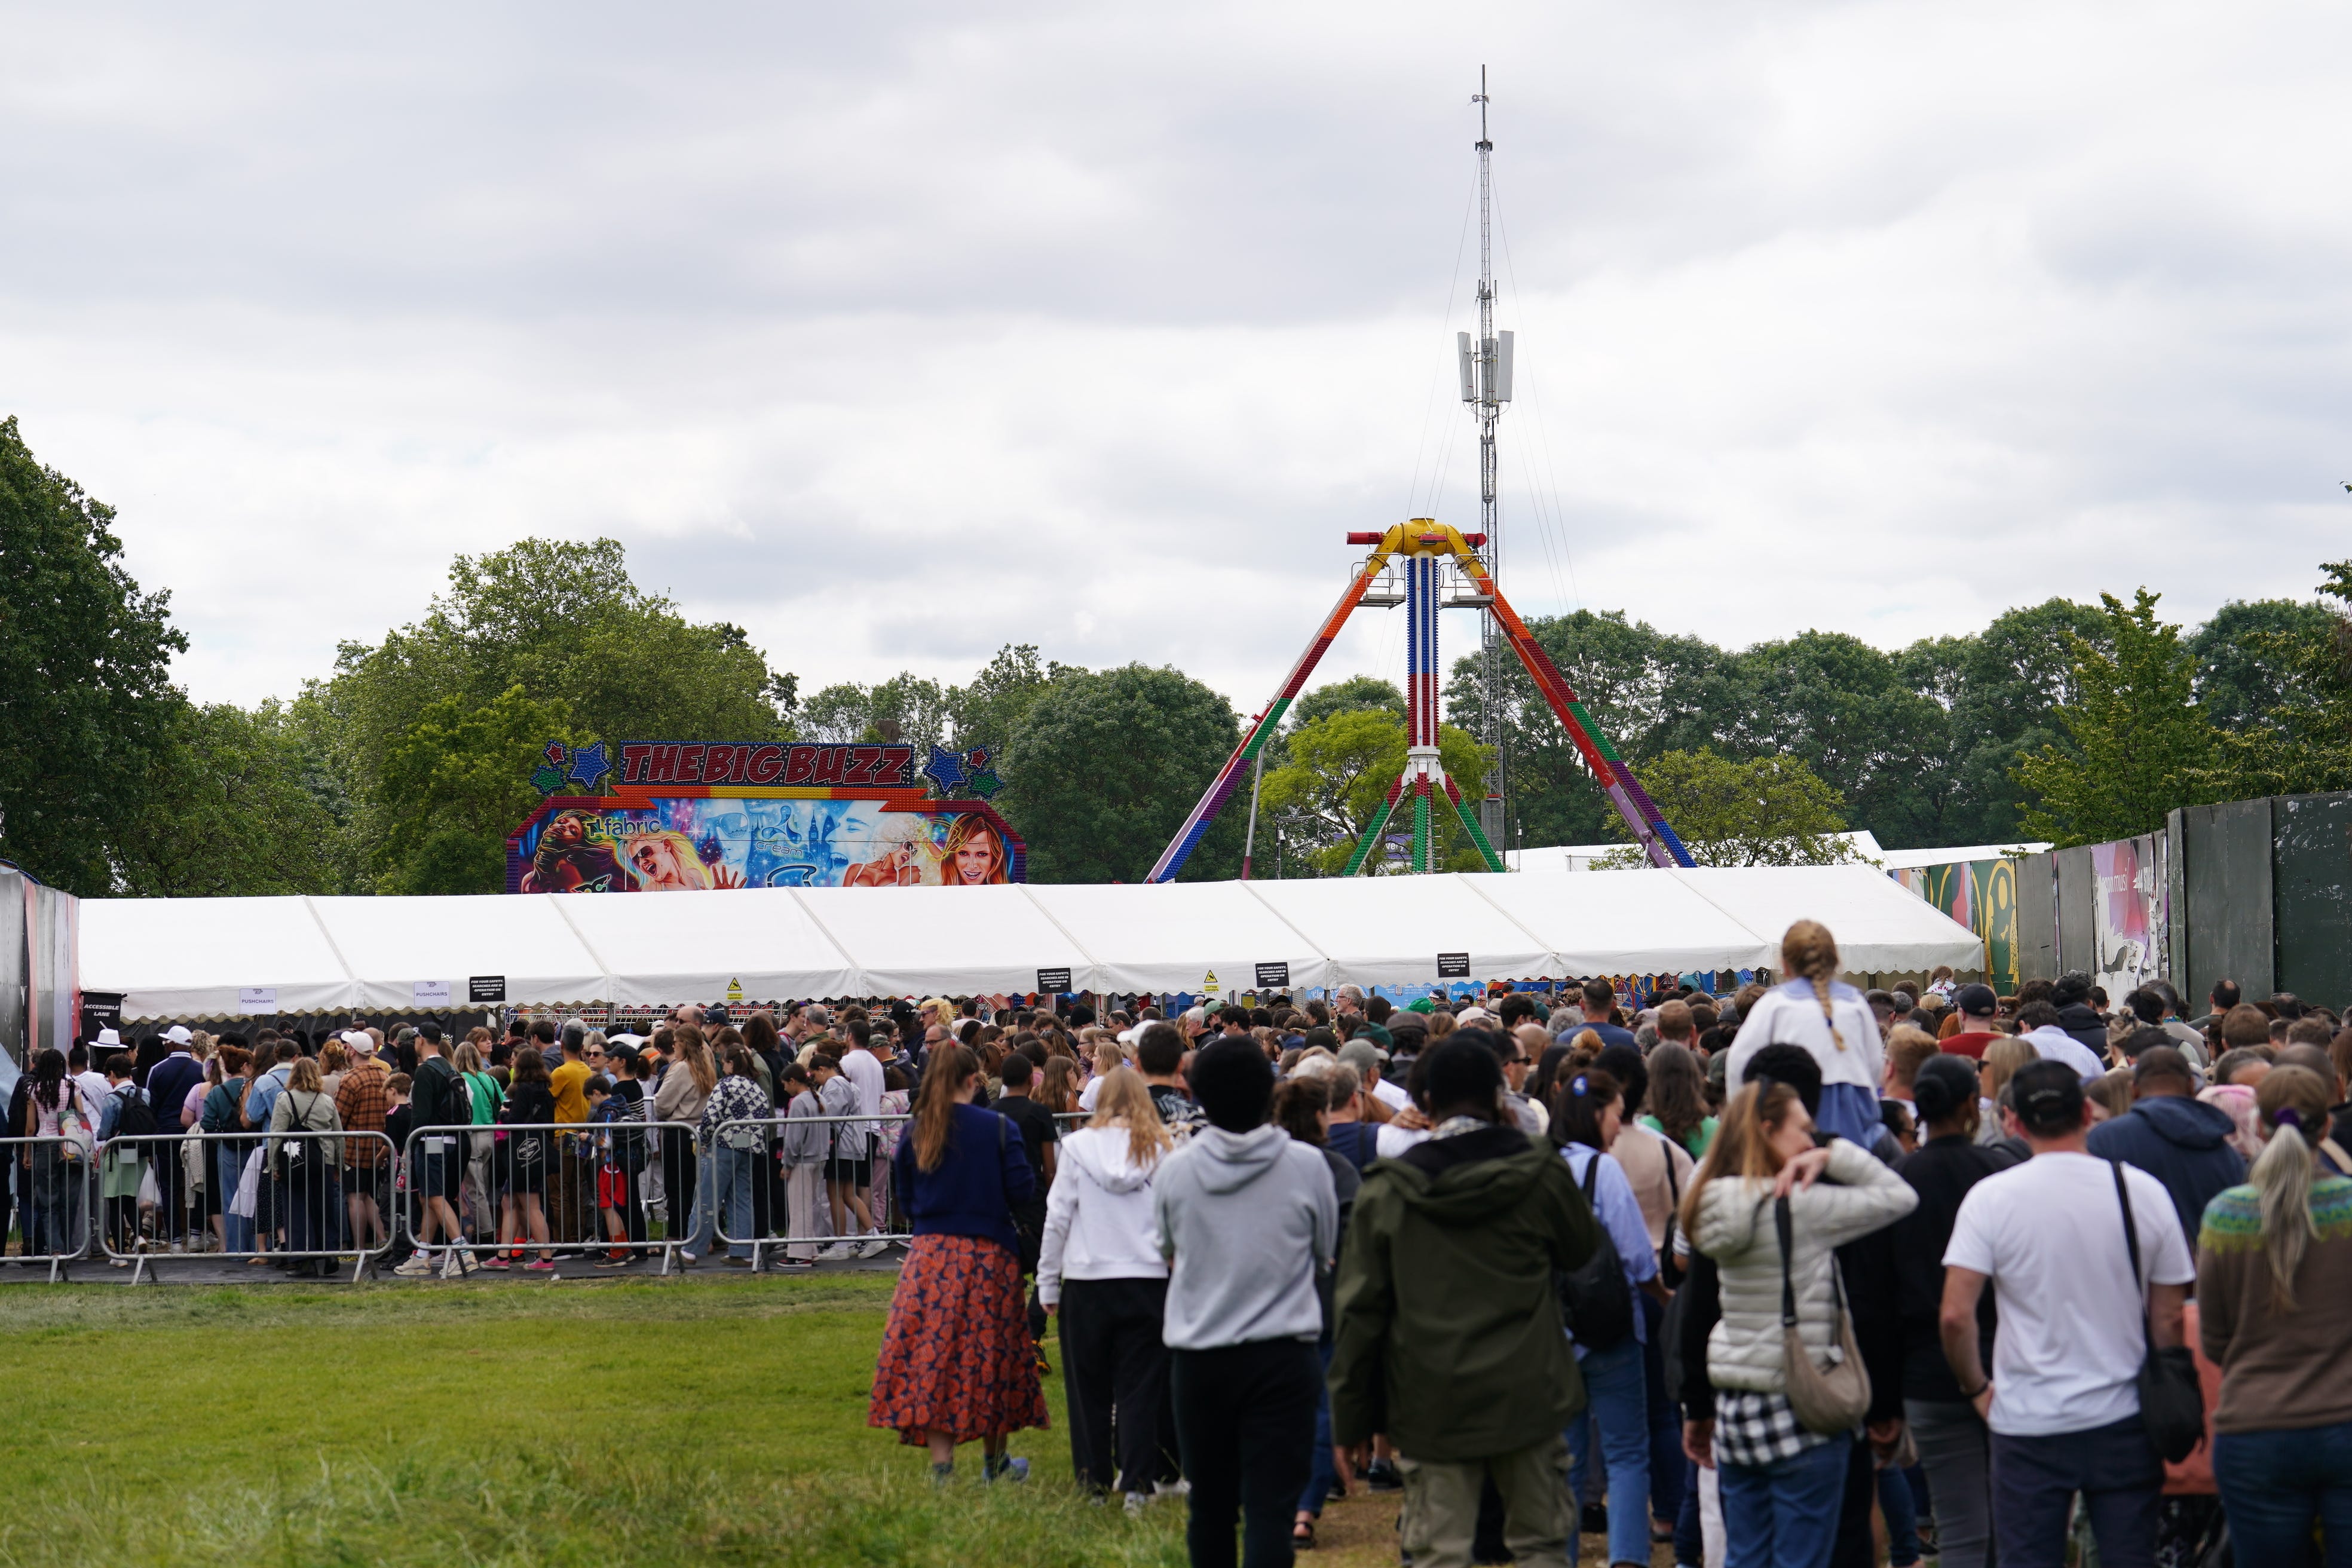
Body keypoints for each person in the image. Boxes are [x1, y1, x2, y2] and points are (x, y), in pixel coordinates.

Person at [1329, 1037, 1600, 1568]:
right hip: (1530, 1386)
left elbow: (1361, 1311)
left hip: (1434, 1394)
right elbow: (1581, 1249)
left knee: (1439, 1551)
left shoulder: (1389, 1190)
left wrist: (1349, 1420)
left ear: (1423, 1102)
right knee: (1541, 1545)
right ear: (1501, 1096)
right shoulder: (1541, 1171)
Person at [1938, 1060, 2194, 1568]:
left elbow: (1955, 1315)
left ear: (2013, 1122)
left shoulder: (1991, 1199)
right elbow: (2168, 1318)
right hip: (2123, 1416)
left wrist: (1976, 1389)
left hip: (2026, 1419)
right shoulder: (2140, 1191)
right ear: (2086, 1113)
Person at [1683, 1076, 1919, 1568]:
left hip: (1737, 1403)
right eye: (1804, 1131)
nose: (1811, 1141)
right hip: (1800, 1400)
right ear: (1769, 1130)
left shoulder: (1710, 1200)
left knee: (1746, 1554)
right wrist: (1834, 1157)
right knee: (1804, 1556)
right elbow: (1899, 1197)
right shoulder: (1800, 1207)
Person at [1154, 1035, 1338, 1568]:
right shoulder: (1307, 1166)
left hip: (1201, 1354)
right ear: (1269, 1090)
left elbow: (1165, 1249)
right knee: (1270, 1510)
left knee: (1210, 1507)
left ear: (1198, 1093)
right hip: (1282, 1355)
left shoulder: (1176, 1170)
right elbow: (1324, 1251)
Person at [2196, 1065, 2352, 1564]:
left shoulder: (2226, 1214)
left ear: (2259, 1126)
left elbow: (2215, 1339)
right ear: (2327, 1124)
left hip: (2255, 1431)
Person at [868, 1045, 1045, 1482]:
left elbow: (906, 1202)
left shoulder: (916, 1130)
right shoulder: (998, 1128)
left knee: (933, 1356)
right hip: (989, 1253)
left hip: (929, 1256)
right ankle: (995, 1464)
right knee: (992, 1355)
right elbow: (1023, 1191)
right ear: (974, 1080)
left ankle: (942, 1469)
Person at [1887, 1055, 2017, 1568]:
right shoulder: (2001, 1174)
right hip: (2006, 1360)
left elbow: (1881, 1291)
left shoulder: (1899, 1182)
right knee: (2011, 1516)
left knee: (1960, 1523)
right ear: (1971, 1106)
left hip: (1926, 1371)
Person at [1039, 1066, 1175, 1508]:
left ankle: (1093, 1482)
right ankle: (1137, 1483)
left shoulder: (1076, 1146)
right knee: (1140, 1388)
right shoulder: (1161, 1147)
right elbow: (1173, 1217)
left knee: (1088, 1389)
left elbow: (1057, 1217)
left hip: (1088, 1278)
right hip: (1147, 1277)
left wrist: (1047, 1283)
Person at [1554, 1067, 1667, 1568]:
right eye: (1615, 1117)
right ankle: (1627, 1557)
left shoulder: (1538, 1168)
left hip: (1553, 1332)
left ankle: (1560, 1554)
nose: (1618, 1128)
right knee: (1625, 1452)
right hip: (1609, 1329)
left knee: (1566, 1455)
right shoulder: (1604, 1171)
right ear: (1596, 1115)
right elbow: (1637, 1256)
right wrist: (1662, 1295)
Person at [1723, 921, 1889, 1149]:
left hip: (1789, 1119)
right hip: (1852, 1119)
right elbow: (1874, 1066)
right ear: (1835, 962)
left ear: (1784, 965)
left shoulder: (1773, 1004)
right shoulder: (1856, 1002)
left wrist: (1744, 1122)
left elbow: (1738, 1066)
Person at [2085, 1042, 2246, 1249]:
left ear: (2134, 1090)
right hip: (2210, 1270)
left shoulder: (2105, 1140)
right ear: (2190, 1086)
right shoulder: (2226, 1152)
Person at [267, 1055, 344, 1278]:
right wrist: (339, 1164)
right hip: (324, 1161)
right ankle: (330, 1253)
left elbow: (276, 1135)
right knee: (324, 1209)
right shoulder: (326, 1100)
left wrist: (273, 1165)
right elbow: (339, 1135)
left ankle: (304, 1260)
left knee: (297, 1210)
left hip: (294, 1160)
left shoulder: (285, 1099)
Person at [699, 1045, 774, 1267]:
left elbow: (710, 1118)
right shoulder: (756, 1087)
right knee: (742, 1200)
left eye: (723, 1063)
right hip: (749, 1147)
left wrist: (703, 1138)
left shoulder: (725, 1085)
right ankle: (742, 1251)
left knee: (707, 1197)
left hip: (723, 1145)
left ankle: (693, 1249)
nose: (723, 1067)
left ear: (731, 1064)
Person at [653, 1024, 715, 1262]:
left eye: (676, 1042)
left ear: (682, 1044)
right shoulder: (706, 1065)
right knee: (693, 1188)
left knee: (677, 1189)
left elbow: (662, 1104)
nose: (674, 1046)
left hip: (678, 1132)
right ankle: (698, 1237)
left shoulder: (680, 1068)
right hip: (697, 1133)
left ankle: (677, 1237)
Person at [335, 1034, 391, 1264]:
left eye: (347, 1046)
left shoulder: (350, 1080)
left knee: (355, 1198)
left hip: (355, 1148)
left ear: (352, 1051)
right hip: (379, 1148)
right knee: (367, 1196)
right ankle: (381, 1240)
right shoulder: (383, 1075)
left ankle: (359, 1247)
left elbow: (338, 1117)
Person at [779, 1061, 829, 1263]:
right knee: (810, 1206)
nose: (784, 1088)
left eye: (785, 1084)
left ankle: (799, 1255)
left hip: (802, 1161)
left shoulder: (799, 1103)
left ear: (793, 1081)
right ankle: (810, 1250)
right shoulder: (821, 1099)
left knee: (800, 1208)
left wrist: (787, 1163)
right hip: (819, 1158)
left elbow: (794, 1138)